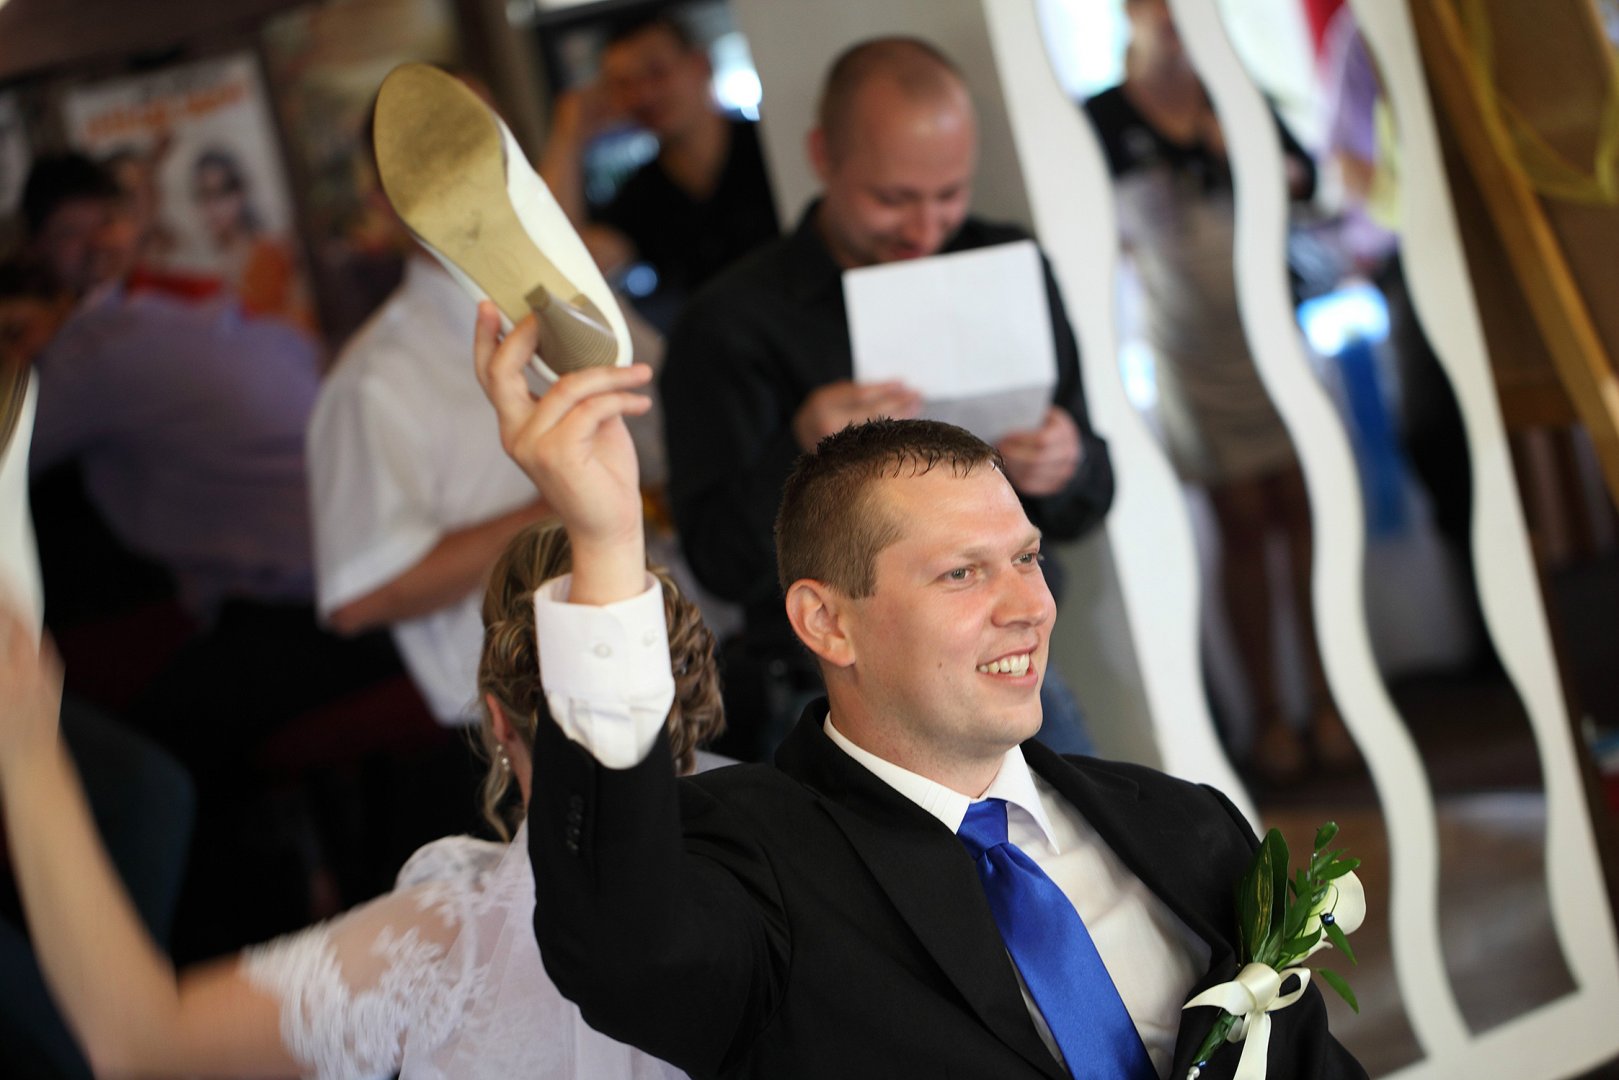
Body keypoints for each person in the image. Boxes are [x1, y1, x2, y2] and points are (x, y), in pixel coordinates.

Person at [472, 307, 1364, 1078]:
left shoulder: (1187, 824)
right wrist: (606, 540)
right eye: (961, 573)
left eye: (1026, 558)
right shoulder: (749, 860)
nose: (1027, 607)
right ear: (827, 623)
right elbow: (624, 954)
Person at [0, 517, 725, 1079]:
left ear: (498, 722)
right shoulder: (769, 840)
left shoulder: (454, 942)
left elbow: (141, 1043)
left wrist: (28, 749)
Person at [660, 36, 1113, 760]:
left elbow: (1087, 499)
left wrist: (1065, 463)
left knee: (1071, 833)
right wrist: (801, 450)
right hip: (831, 693)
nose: (925, 228)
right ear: (823, 157)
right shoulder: (729, 322)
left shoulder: (1003, 266)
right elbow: (719, 563)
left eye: (949, 195)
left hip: (1010, 663)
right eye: (892, 199)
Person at [1084, 0, 1353, 783]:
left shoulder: (1234, 91)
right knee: (1240, 523)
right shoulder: (1099, 120)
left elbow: (1310, 184)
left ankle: (1331, 703)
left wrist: (1248, 159)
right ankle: (1267, 717)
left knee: (1304, 514)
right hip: (1187, 350)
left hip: (1273, 337)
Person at [539, 14, 778, 329]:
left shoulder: (771, 148)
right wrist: (568, 135)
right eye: (624, 84)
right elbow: (562, 264)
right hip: (718, 347)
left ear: (700, 65)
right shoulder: (642, 194)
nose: (644, 95)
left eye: (657, 72)